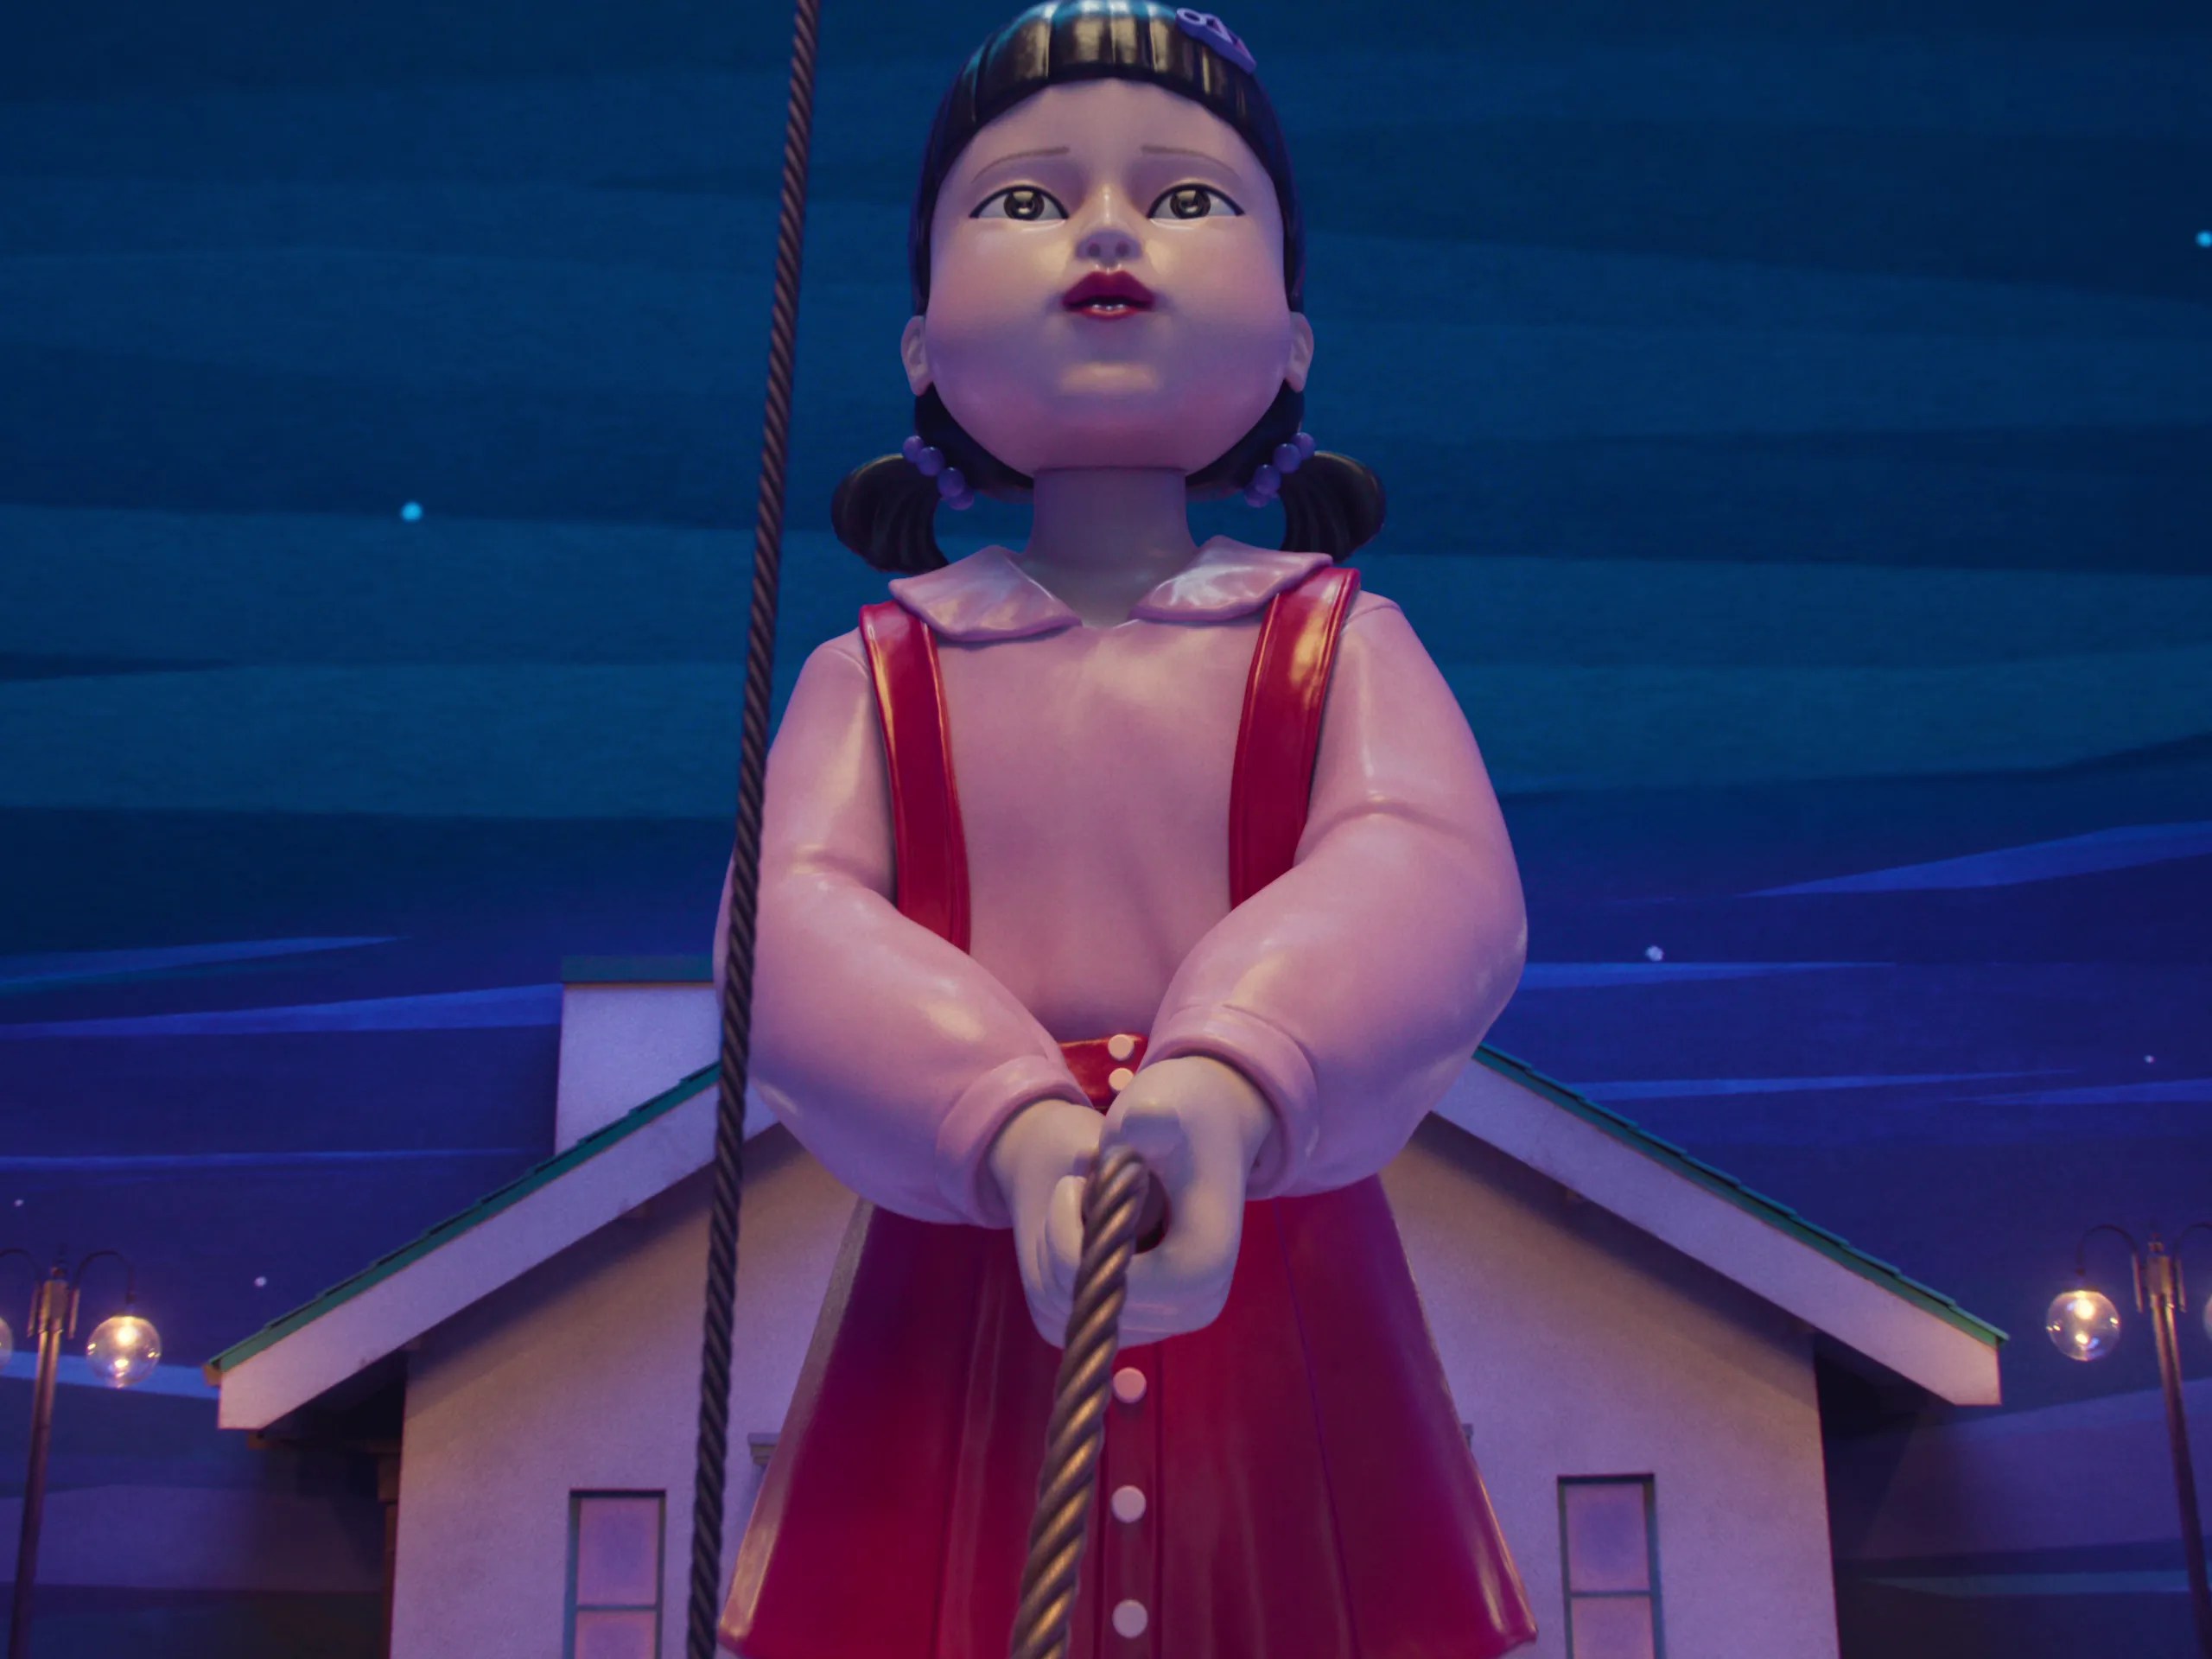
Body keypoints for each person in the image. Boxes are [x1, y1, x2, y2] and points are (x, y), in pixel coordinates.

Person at [715, 5, 1537, 1653]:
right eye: (1025, 201)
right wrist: (1002, 1117)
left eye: (1186, 198)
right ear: (921, 344)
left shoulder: (1336, 641)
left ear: (1293, 337)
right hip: (961, 1275)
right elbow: (784, 929)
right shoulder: (879, 670)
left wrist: (1237, 1075)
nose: (1105, 233)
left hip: (1276, 1271)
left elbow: (1432, 874)